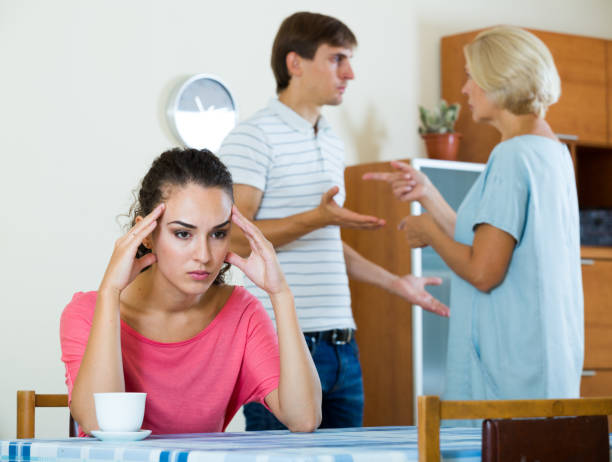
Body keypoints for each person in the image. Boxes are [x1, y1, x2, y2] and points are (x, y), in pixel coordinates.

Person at [218, 11, 449, 430]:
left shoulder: (331, 141)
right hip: (281, 345)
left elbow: (323, 242)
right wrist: (317, 217)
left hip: (343, 345)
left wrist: (395, 283)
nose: (350, 73)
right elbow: (234, 237)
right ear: (295, 63)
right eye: (337, 58)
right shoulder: (253, 136)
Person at [364, 26, 583, 412]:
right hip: (543, 368)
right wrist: (428, 194)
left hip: (508, 376)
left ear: (498, 78)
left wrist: (428, 230)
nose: (464, 90)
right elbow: (489, 243)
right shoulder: (552, 153)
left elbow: (484, 270)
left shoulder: (512, 156)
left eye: (470, 76)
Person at [60, 148, 322, 435]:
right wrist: (110, 292)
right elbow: (101, 424)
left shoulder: (241, 313)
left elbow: (304, 419)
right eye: (183, 233)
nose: (204, 255)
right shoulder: (86, 312)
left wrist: (280, 294)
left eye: (218, 233)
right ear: (146, 234)